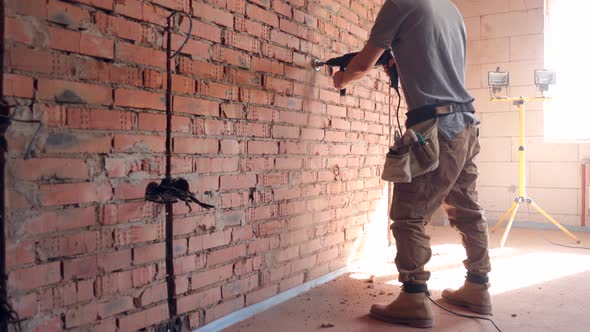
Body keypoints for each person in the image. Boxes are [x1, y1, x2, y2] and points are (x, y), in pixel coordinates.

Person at [332, 0, 492, 328]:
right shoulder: (449, 8)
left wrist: (341, 80)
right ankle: (478, 288)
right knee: (467, 209)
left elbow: (362, 66)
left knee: (408, 214)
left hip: (434, 127)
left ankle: (414, 297)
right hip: (465, 122)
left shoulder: (399, 3)